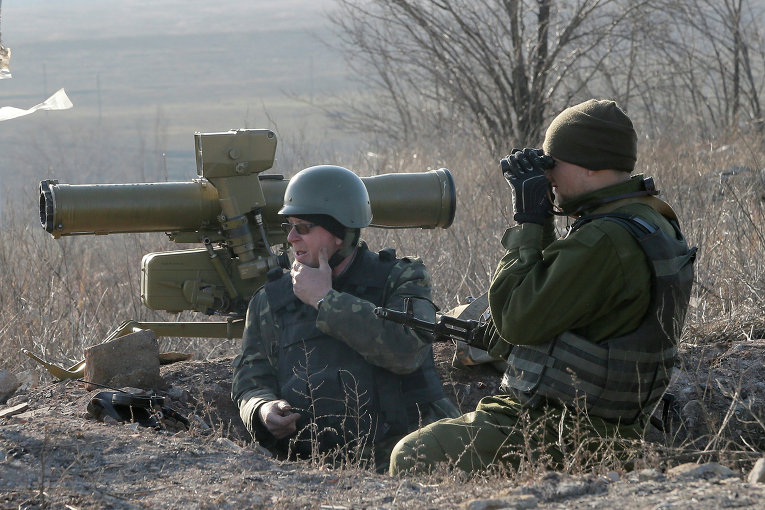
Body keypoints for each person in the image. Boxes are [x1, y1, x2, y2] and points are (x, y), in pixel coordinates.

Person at [389, 99, 696, 475]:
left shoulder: (603, 238)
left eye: (553, 164)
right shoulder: (647, 218)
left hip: (567, 428)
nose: (547, 175)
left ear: (589, 165)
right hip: (616, 424)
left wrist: (530, 223)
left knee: (413, 453)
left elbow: (516, 319)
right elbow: (559, 298)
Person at [231, 164, 459, 470]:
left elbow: (406, 351)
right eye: (290, 226)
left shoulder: (401, 278)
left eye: (304, 227)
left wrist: (325, 301)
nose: (291, 238)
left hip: (405, 460)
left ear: (339, 231)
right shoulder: (271, 300)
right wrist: (262, 408)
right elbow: (249, 379)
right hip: (312, 470)